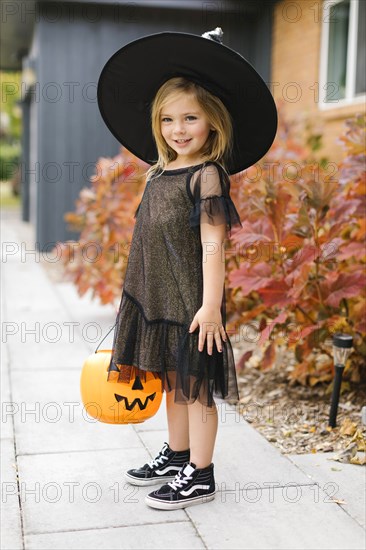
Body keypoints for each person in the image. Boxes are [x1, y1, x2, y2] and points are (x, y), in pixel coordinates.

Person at [97, 28, 277, 510]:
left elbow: (213, 243)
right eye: (168, 119)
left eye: (191, 118)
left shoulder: (207, 176)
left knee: (196, 389)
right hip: (156, 297)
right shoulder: (160, 172)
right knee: (173, 383)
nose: (179, 129)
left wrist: (212, 307)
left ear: (212, 124)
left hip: (193, 304)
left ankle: (201, 472)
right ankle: (177, 454)